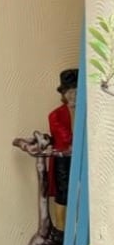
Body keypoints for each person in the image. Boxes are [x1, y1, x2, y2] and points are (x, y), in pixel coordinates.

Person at [48, 68, 77, 231]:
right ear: (64, 93)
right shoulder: (55, 115)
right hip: (63, 160)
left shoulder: (87, 113)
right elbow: (65, 136)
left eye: (76, 91)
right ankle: (61, 229)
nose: (73, 95)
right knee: (63, 193)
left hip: (81, 158)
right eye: (70, 92)